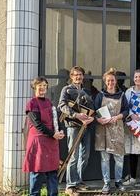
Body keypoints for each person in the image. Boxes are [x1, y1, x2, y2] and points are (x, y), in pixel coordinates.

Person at [23, 76, 65, 196]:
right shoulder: (32, 103)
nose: (42, 88)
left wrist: (60, 130)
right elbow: (37, 124)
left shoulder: (49, 102)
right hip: (38, 142)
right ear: (34, 87)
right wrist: (53, 134)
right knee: (37, 172)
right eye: (39, 85)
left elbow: (55, 119)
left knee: (52, 172)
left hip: (51, 142)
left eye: (44, 85)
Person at [58, 66, 94, 196]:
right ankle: (70, 186)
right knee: (73, 156)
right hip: (73, 126)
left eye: (80, 75)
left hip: (86, 127)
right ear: (71, 77)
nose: (78, 77)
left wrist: (90, 118)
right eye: (76, 75)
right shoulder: (66, 89)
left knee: (85, 156)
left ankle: (78, 181)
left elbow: (91, 108)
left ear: (83, 76)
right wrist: (76, 115)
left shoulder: (86, 91)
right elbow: (62, 106)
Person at [94, 68, 129, 194]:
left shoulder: (122, 95)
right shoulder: (100, 95)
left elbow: (126, 111)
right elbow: (94, 111)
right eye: (108, 80)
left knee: (119, 158)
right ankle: (106, 183)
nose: (110, 82)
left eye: (112, 80)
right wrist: (98, 119)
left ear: (116, 81)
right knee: (105, 158)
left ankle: (118, 182)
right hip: (103, 129)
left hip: (117, 128)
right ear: (105, 82)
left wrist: (118, 117)